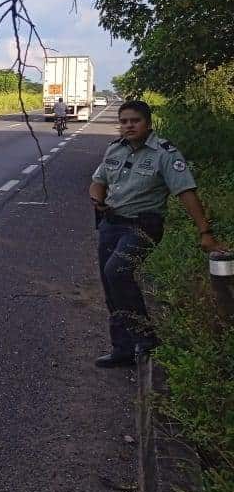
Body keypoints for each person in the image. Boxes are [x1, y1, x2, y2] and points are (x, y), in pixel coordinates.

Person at [89, 100, 226, 367]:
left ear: (148, 123)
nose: (129, 126)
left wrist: (205, 232)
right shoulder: (114, 149)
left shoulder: (165, 153)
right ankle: (123, 348)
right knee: (110, 285)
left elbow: (186, 192)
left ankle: (147, 339)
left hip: (144, 225)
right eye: (125, 121)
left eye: (135, 121)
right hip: (111, 223)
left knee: (117, 272)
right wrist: (96, 198)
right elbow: (98, 181)